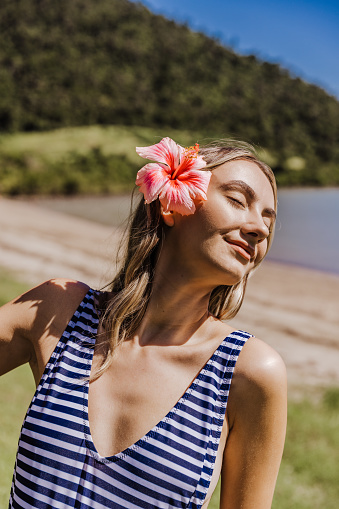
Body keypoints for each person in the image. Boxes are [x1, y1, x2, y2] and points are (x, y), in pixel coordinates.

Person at [0, 137, 287, 509]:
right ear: (171, 204)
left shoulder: (248, 373)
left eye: (268, 218)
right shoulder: (61, 312)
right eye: (237, 200)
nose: (259, 229)